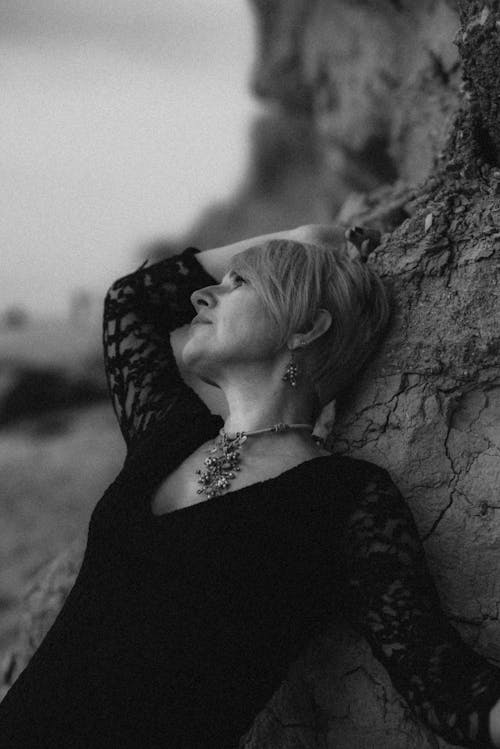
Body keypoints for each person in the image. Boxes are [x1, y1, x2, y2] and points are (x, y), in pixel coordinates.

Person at [1, 224, 500, 748]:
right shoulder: (166, 436)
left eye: (239, 283)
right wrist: (309, 236)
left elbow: (443, 684)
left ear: (305, 329)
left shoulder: (342, 501)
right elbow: (130, 302)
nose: (203, 292)